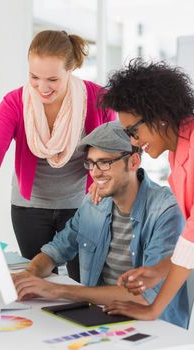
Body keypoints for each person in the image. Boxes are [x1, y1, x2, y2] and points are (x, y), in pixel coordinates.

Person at [12, 122, 188, 328]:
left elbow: (147, 296)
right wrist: (28, 274)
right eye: (91, 163)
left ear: (133, 162)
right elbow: (56, 250)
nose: (95, 173)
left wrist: (56, 290)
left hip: (152, 327)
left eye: (104, 163)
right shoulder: (94, 203)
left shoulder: (165, 211)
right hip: (101, 316)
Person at [0, 30, 116, 282]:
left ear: (70, 70)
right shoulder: (14, 103)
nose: (42, 87)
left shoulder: (97, 99)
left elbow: (115, 152)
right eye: (34, 77)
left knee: (83, 283)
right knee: (37, 285)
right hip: (30, 209)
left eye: (52, 79)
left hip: (82, 206)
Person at [98, 58, 194, 324]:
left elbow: (191, 239)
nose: (133, 142)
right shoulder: (178, 151)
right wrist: (159, 270)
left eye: (133, 131)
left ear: (159, 118)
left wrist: (153, 310)